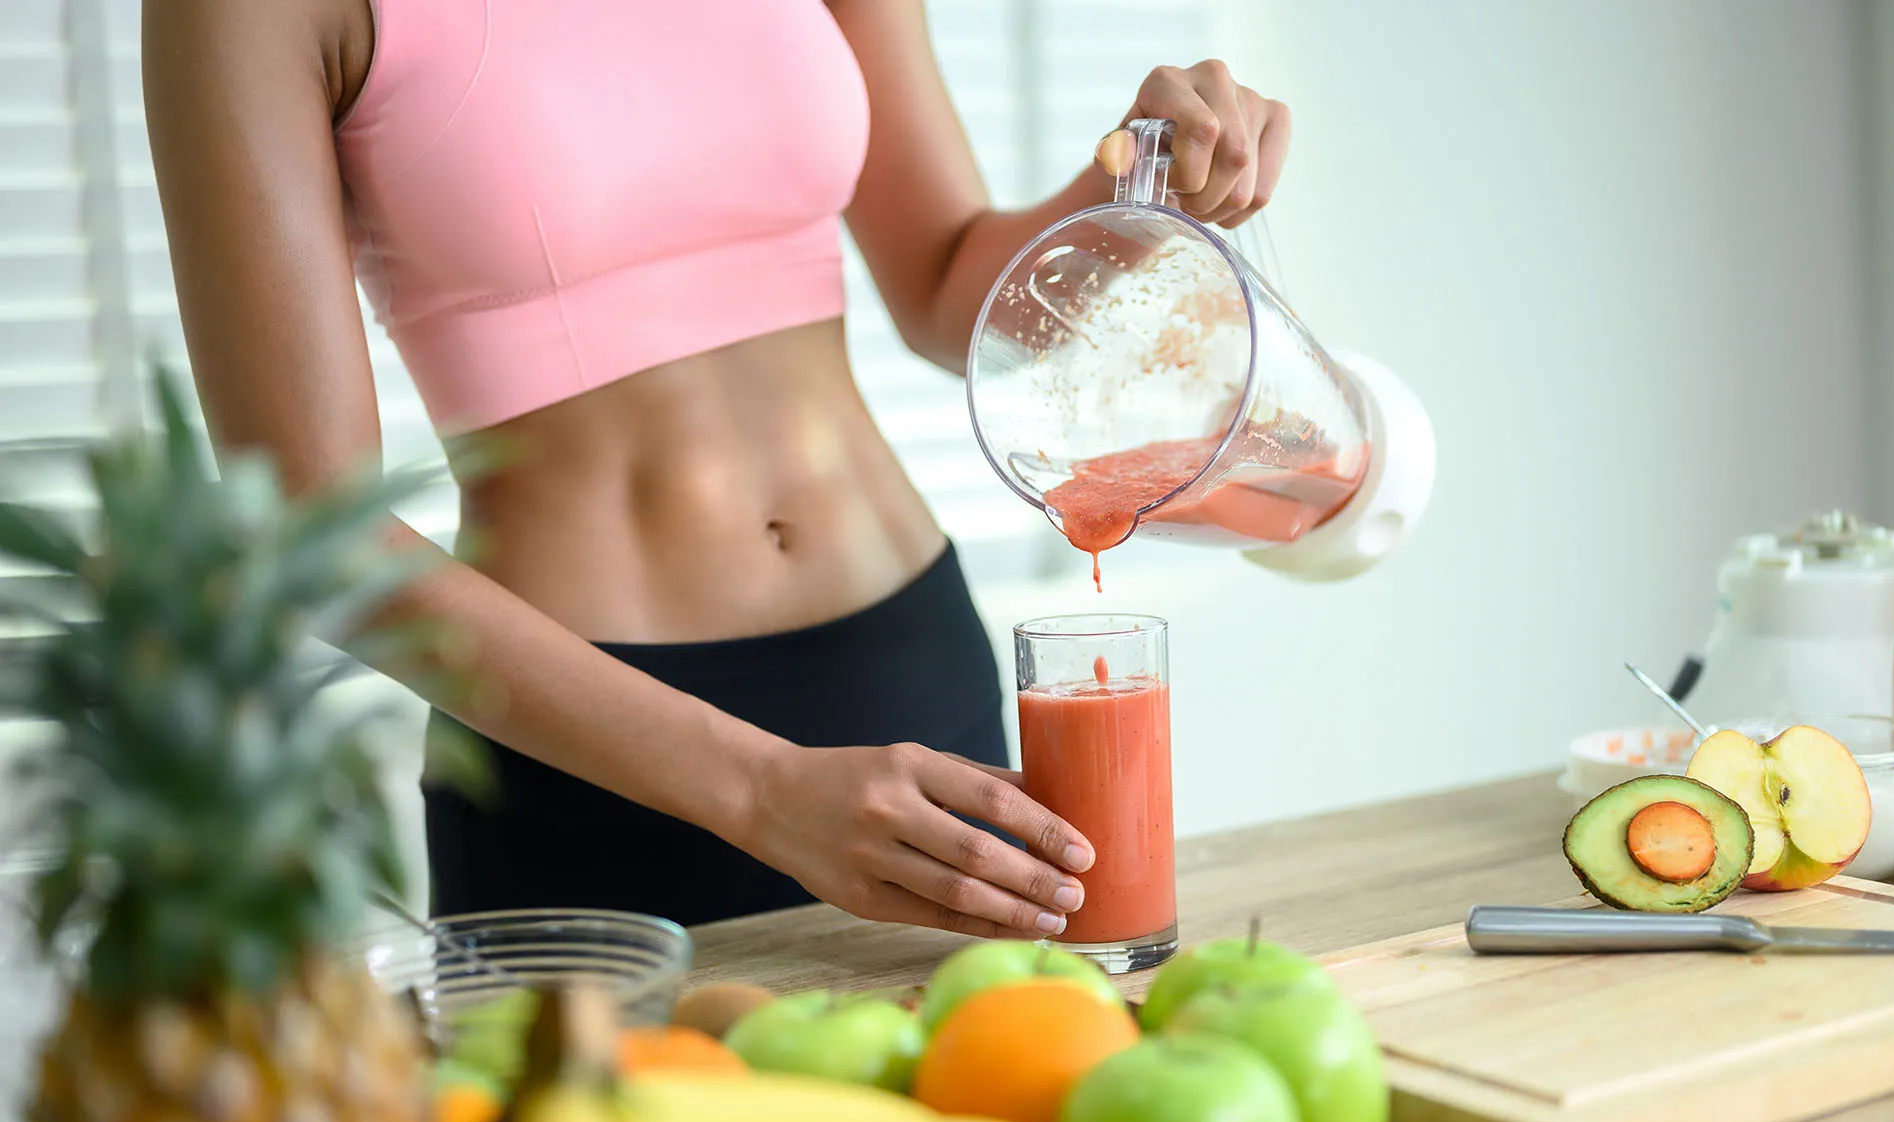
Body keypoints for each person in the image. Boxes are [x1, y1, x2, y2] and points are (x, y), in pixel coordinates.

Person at [141, 0, 1292, 936]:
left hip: (903, 686)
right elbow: (311, 524)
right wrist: (760, 789)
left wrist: (1143, 175)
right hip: (589, 762)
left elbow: (951, 283)